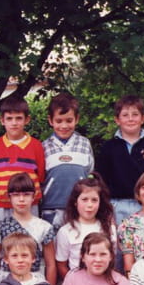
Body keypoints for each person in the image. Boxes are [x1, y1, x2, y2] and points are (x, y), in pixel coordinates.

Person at [96, 95, 144, 228]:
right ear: (117, 120)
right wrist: (105, 207)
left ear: (143, 118)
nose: (130, 119)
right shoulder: (109, 147)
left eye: (135, 114)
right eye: (125, 115)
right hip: (116, 205)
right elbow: (101, 180)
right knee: (118, 240)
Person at [0, 173, 56, 285]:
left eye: (26, 194)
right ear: (9, 197)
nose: (21, 199)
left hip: (34, 284)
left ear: (33, 197)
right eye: (16, 195)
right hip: (6, 284)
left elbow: (51, 265)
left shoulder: (44, 227)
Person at [40, 92, 94, 228]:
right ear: (50, 120)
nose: (64, 126)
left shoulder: (85, 143)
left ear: (77, 119)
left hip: (80, 207)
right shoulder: (44, 146)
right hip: (51, 208)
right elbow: (41, 177)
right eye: (59, 121)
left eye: (69, 121)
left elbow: (89, 171)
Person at [0, 95, 45, 222]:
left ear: (27, 120)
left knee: (30, 234)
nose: (14, 123)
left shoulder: (36, 146)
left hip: (29, 206)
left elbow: (40, 176)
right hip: (2, 205)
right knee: (1, 234)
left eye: (19, 118)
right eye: (9, 118)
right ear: (2, 120)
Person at [55, 173, 116, 280]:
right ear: (75, 202)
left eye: (94, 200)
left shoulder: (109, 228)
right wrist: (76, 284)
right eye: (84, 199)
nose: (89, 205)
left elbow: (112, 261)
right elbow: (61, 265)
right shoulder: (65, 231)